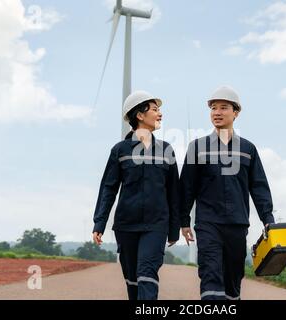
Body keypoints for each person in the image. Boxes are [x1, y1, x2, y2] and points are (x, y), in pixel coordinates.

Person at [180, 85, 275, 300]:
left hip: (237, 224)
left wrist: (267, 218)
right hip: (208, 223)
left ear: (236, 113)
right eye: (213, 108)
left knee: (233, 281)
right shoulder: (198, 147)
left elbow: (259, 186)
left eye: (224, 107)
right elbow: (187, 187)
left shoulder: (248, 150)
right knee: (210, 274)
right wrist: (184, 220)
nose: (217, 112)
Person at [92, 90, 180, 300]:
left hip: (156, 225)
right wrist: (99, 222)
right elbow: (108, 188)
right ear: (139, 115)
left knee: (147, 274)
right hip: (126, 225)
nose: (160, 114)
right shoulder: (120, 150)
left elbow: (174, 192)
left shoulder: (166, 150)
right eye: (155, 110)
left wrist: (174, 228)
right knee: (133, 281)